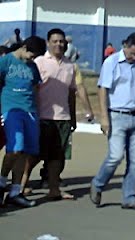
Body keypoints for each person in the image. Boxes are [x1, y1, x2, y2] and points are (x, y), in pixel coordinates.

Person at [91, 32, 135, 210]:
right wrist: (104, 118)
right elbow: (103, 90)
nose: (134, 57)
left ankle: (129, 197)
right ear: (125, 45)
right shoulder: (111, 62)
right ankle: (98, 183)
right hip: (116, 115)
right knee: (115, 156)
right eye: (131, 53)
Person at [0, 35, 46, 208]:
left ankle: (15, 192)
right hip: (11, 109)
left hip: (30, 112)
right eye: (32, 55)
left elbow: (34, 88)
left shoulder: (32, 67)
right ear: (24, 47)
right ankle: (1, 183)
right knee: (15, 148)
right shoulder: (6, 62)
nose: (33, 59)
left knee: (26, 152)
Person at [35, 29, 78, 202]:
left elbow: (71, 93)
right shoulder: (39, 62)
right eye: (55, 41)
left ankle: (54, 189)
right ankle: (19, 188)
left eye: (61, 42)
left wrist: (73, 116)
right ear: (48, 43)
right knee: (34, 155)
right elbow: (33, 90)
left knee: (58, 157)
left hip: (63, 118)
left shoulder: (70, 66)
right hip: (42, 117)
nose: (59, 44)